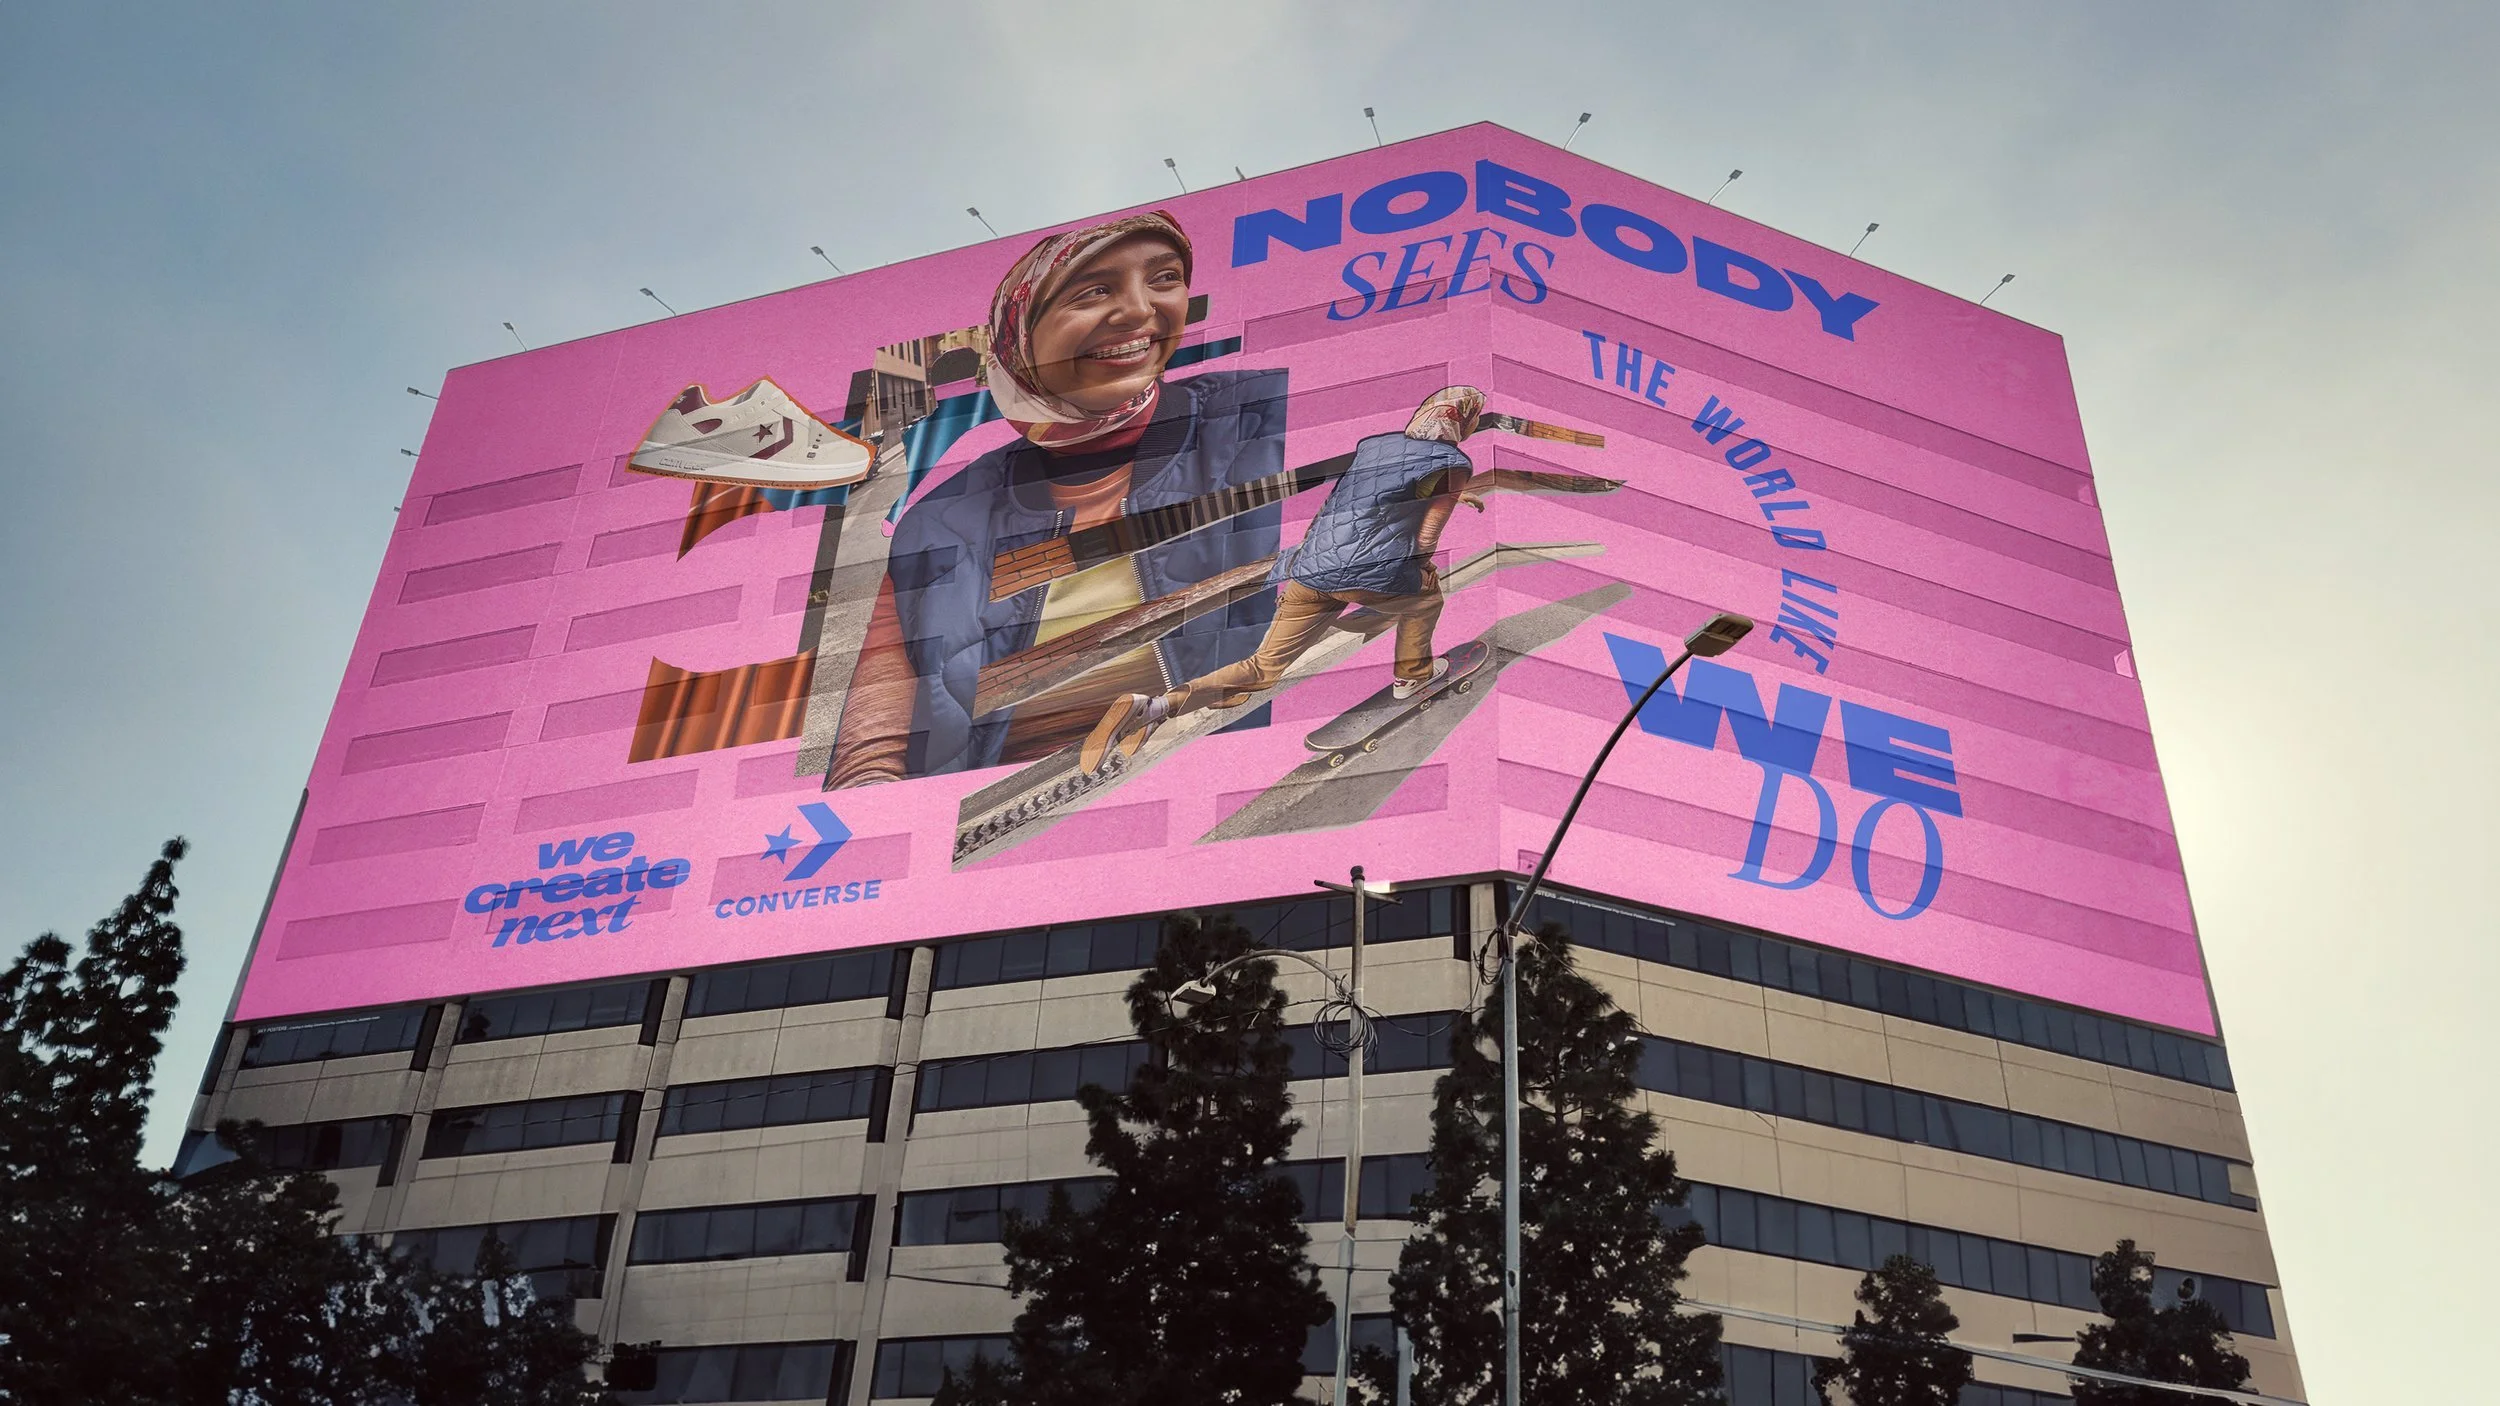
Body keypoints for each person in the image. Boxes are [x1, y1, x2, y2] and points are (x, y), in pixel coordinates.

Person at [827, 211, 1287, 786]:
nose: (1142, 310)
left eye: (1165, 279)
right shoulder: (939, 520)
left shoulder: (1263, 415)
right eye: (1094, 291)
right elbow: (876, 734)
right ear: (1020, 332)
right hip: (996, 840)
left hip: (1223, 798)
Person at [1079, 386, 1581, 772]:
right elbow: (1427, 530)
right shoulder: (1453, 461)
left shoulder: (1376, 448)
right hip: (1363, 572)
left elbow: (1376, 500)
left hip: (1308, 568)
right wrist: (1423, 564)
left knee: (1261, 667)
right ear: (1463, 422)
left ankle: (1153, 706)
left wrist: (1453, 497)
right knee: (1424, 602)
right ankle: (1412, 679)